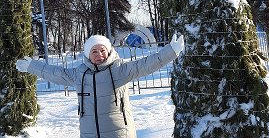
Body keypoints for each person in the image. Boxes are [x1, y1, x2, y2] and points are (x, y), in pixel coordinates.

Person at [16, 33, 184, 138]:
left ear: (109, 51)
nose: (99, 54)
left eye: (102, 50)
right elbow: (57, 73)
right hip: (88, 133)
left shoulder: (120, 69)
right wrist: (33, 66)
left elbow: (146, 64)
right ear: (88, 55)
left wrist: (170, 51)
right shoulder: (80, 74)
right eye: (94, 51)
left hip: (119, 133)